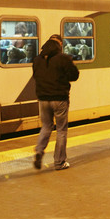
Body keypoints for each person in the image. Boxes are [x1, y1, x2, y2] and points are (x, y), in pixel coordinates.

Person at [33, 34, 79, 171]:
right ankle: (59, 162)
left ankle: (39, 151)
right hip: (59, 99)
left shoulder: (37, 60)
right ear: (59, 43)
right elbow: (74, 76)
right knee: (61, 130)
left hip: (43, 99)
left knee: (46, 126)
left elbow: (36, 76)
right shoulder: (63, 58)